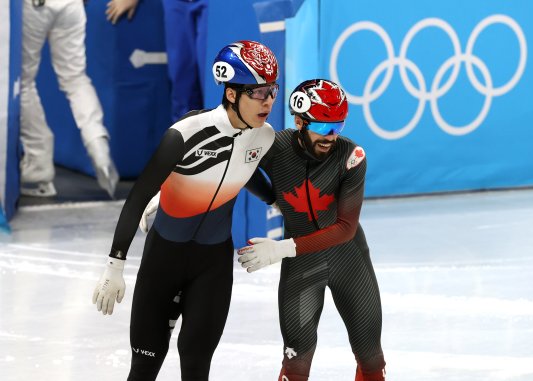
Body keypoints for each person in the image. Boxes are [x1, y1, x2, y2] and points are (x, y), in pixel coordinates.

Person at [91, 40, 279, 381]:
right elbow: (136, 199)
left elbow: (245, 167)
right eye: (259, 92)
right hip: (164, 258)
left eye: (272, 91)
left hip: (213, 264)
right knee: (146, 365)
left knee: (195, 363)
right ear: (232, 93)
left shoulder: (263, 137)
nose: (268, 101)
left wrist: (275, 201)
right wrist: (114, 265)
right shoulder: (186, 133)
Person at [237, 79, 387, 381]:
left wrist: (282, 248)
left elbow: (345, 228)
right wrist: (271, 195)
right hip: (304, 265)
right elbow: (236, 166)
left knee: (370, 356)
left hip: (349, 259)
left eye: (338, 125)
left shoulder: (351, 155)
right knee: (296, 359)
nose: (331, 136)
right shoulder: (274, 146)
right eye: (323, 125)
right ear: (299, 121)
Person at [20, 0, 119, 197]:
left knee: (23, 83)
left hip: (34, 5)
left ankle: (39, 168)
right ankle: (97, 143)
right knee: (75, 79)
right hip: (71, 5)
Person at [106, 0, 207, 122]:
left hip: (216, 4)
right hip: (177, 3)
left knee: (215, 78)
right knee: (181, 85)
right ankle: (187, 138)